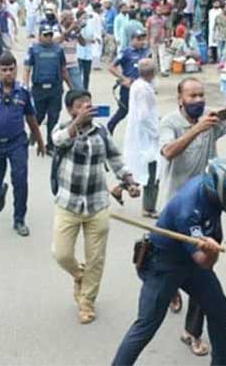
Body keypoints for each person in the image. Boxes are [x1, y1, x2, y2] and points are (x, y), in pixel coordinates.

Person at [111, 158, 226, 366]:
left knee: (218, 307)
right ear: (223, 193)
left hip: (188, 261)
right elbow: (204, 262)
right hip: (164, 266)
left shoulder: (215, 182)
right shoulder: (189, 210)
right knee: (146, 325)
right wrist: (211, 250)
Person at [158, 77, 226, 354]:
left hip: (208, 206)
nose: (198, 100)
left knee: (203, 268)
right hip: (176, 211)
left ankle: (192, 332)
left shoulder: (211, 122)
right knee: (172, 265)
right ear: (180, 99)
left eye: (201, 95)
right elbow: (168, 152)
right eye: (192, 96)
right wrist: (197, 129)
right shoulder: (170, 123)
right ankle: (171, 289)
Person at [52, 89, 141, 324]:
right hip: (68, 203)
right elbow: (58, 142)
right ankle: (79, 275)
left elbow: (115, 159)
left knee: (96, 258)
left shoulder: (101, 131)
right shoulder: (62, 128)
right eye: (81, 105)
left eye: (89, 104)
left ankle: (87, 302)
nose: (87, 108)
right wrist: (76, 124)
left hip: (97, 203)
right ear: (71, 110)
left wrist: (129, 181)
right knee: (61, 254)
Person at [0, 51, 45, 237]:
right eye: (4, 70)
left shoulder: (23, 92)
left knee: (20, 181)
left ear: (16, 70)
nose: (8, 74)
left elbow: (31, 118)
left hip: (17, 143)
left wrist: (40, 141)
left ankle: (19, 219)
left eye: (11, 69)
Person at [23, 23, 71, 154]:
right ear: (39, 36)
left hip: (55, 88)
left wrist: (72, 88)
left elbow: (63, 70)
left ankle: (50, 145)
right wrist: (25, 87)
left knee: (53, 117)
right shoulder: (33, 49)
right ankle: (34, 133)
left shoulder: (58, 50)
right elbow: (27, 69)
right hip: (39, 89)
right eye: (45, 35)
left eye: (50, 35)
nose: (49, 38)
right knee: (37, 116)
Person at [124, 58, 162, 218]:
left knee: (140, 168)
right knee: (152, 172)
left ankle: (119, 188)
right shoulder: (144, 90)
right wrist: (157, 132)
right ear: (153, 72)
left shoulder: (138, 85)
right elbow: (144, 116)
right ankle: (149, 207)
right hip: (146, 136)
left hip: (140, 134)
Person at [107, 28, 151, 135]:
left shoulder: (146, 52)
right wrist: (123, 79)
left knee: (143, 111)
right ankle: (110, 126)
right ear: (132, 40)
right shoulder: (126, 52)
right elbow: (111, 67)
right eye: (138, 39)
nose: (141, 42)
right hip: (128, 86)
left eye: (143, 39)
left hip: (141, 86)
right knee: (123, 110)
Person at [56, 10, 85, 90]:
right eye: (70, 19)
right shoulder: (57, 29)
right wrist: (70, 28)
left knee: (79, 90)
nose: (73, 21)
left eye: (73, 18)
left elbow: (83, 43)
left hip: (73, 64)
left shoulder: (74, 31)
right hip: (59, 64)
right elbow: (58, 41)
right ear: (64, 20)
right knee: (58, 90)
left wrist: (78, 33)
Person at [76, 9, 94, 90]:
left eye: (86, 16)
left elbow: (93, 37)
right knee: (78, 73)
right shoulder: (76, 26)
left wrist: (91, 40)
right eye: (83, 17)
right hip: (79, 53)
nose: (85, 18)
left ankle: (85, 89)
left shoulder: (90, 25)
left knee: (87, 74)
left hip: (88, 53)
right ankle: (79, 89)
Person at [146, 5, 167, 74]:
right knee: (154, 56)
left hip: (162, 39)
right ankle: (155, 70)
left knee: (162, 55)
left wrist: (167, 38)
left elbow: (167, 29)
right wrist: (147, 39)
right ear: (155, 11)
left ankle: (163, 70)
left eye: (160, 10)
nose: (159, 11)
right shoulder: (150, 19)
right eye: (158, 10)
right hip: (153, 39)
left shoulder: (164, 19)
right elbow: (148, 29)